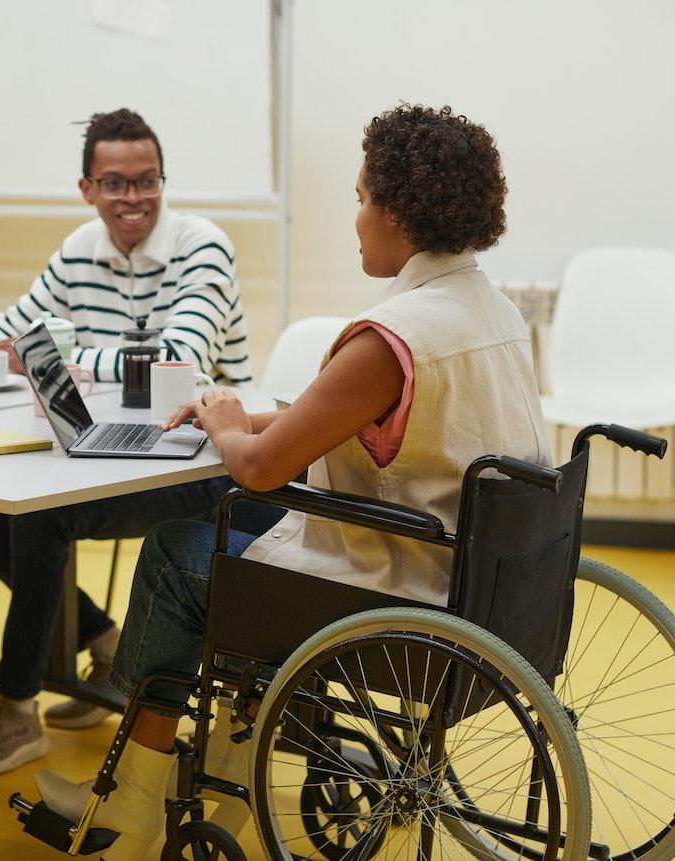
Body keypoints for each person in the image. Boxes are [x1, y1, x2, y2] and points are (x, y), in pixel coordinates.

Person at [32, 104, 549, 859]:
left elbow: (259, 468)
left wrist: (220, 418)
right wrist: (261, 413)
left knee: (181, 552)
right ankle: (231, 754)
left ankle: (133, 803)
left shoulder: (391, 337)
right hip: (480, 583)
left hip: (397, 590)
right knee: (240, 544)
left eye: (362, 199)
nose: (357, 218)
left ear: (400, 211)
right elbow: (356, 418)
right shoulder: (488, 308)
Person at [0, 109, 275, 778]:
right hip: (112, 445)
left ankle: (17, 705)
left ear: (163, 181)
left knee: (44, 514)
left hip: (204, 456)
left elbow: (178, 359)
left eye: (146, 181)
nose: (132, 198)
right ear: (87, 188)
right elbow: (20, 322)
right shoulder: (81, 246)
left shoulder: (204, 245)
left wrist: (64, 357)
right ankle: (103, 640)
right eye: (114, 183)